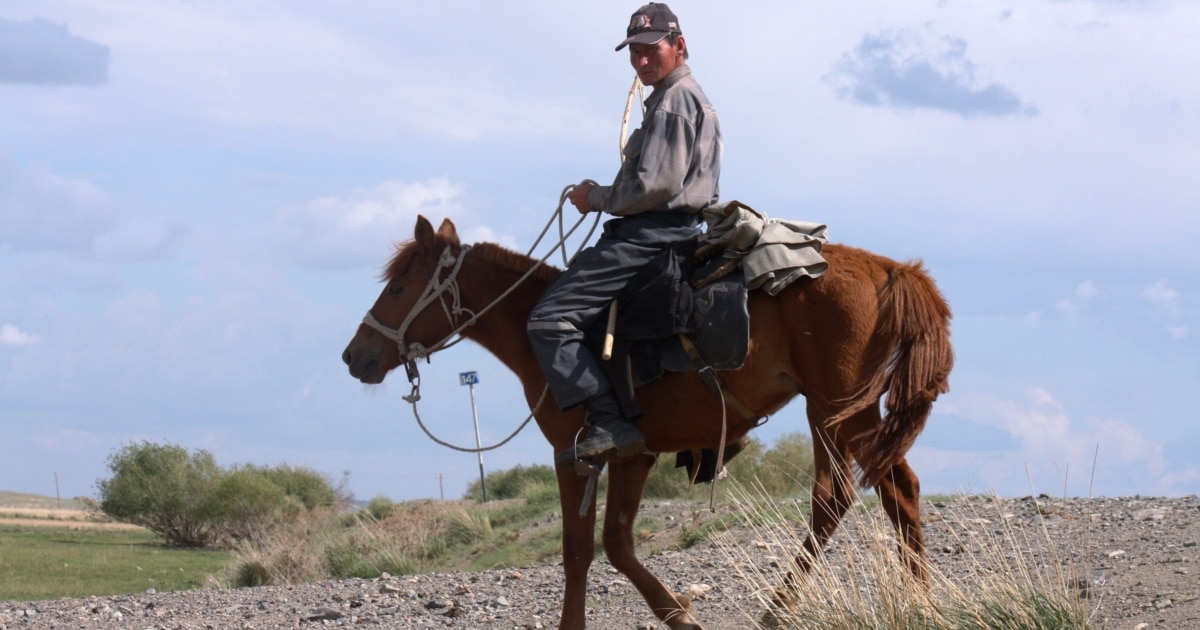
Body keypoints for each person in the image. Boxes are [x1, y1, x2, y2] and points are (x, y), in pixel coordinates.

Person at [527, 3, 722, 469]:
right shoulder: (685, 98)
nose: (640, 61)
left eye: (650, 49)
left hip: (649, 235)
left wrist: (595, 196)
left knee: (548, 320)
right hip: (678, 229)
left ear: (678, 45)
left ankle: (610, 421)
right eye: (634, 52)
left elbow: (653, 186)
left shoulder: (674, 102)